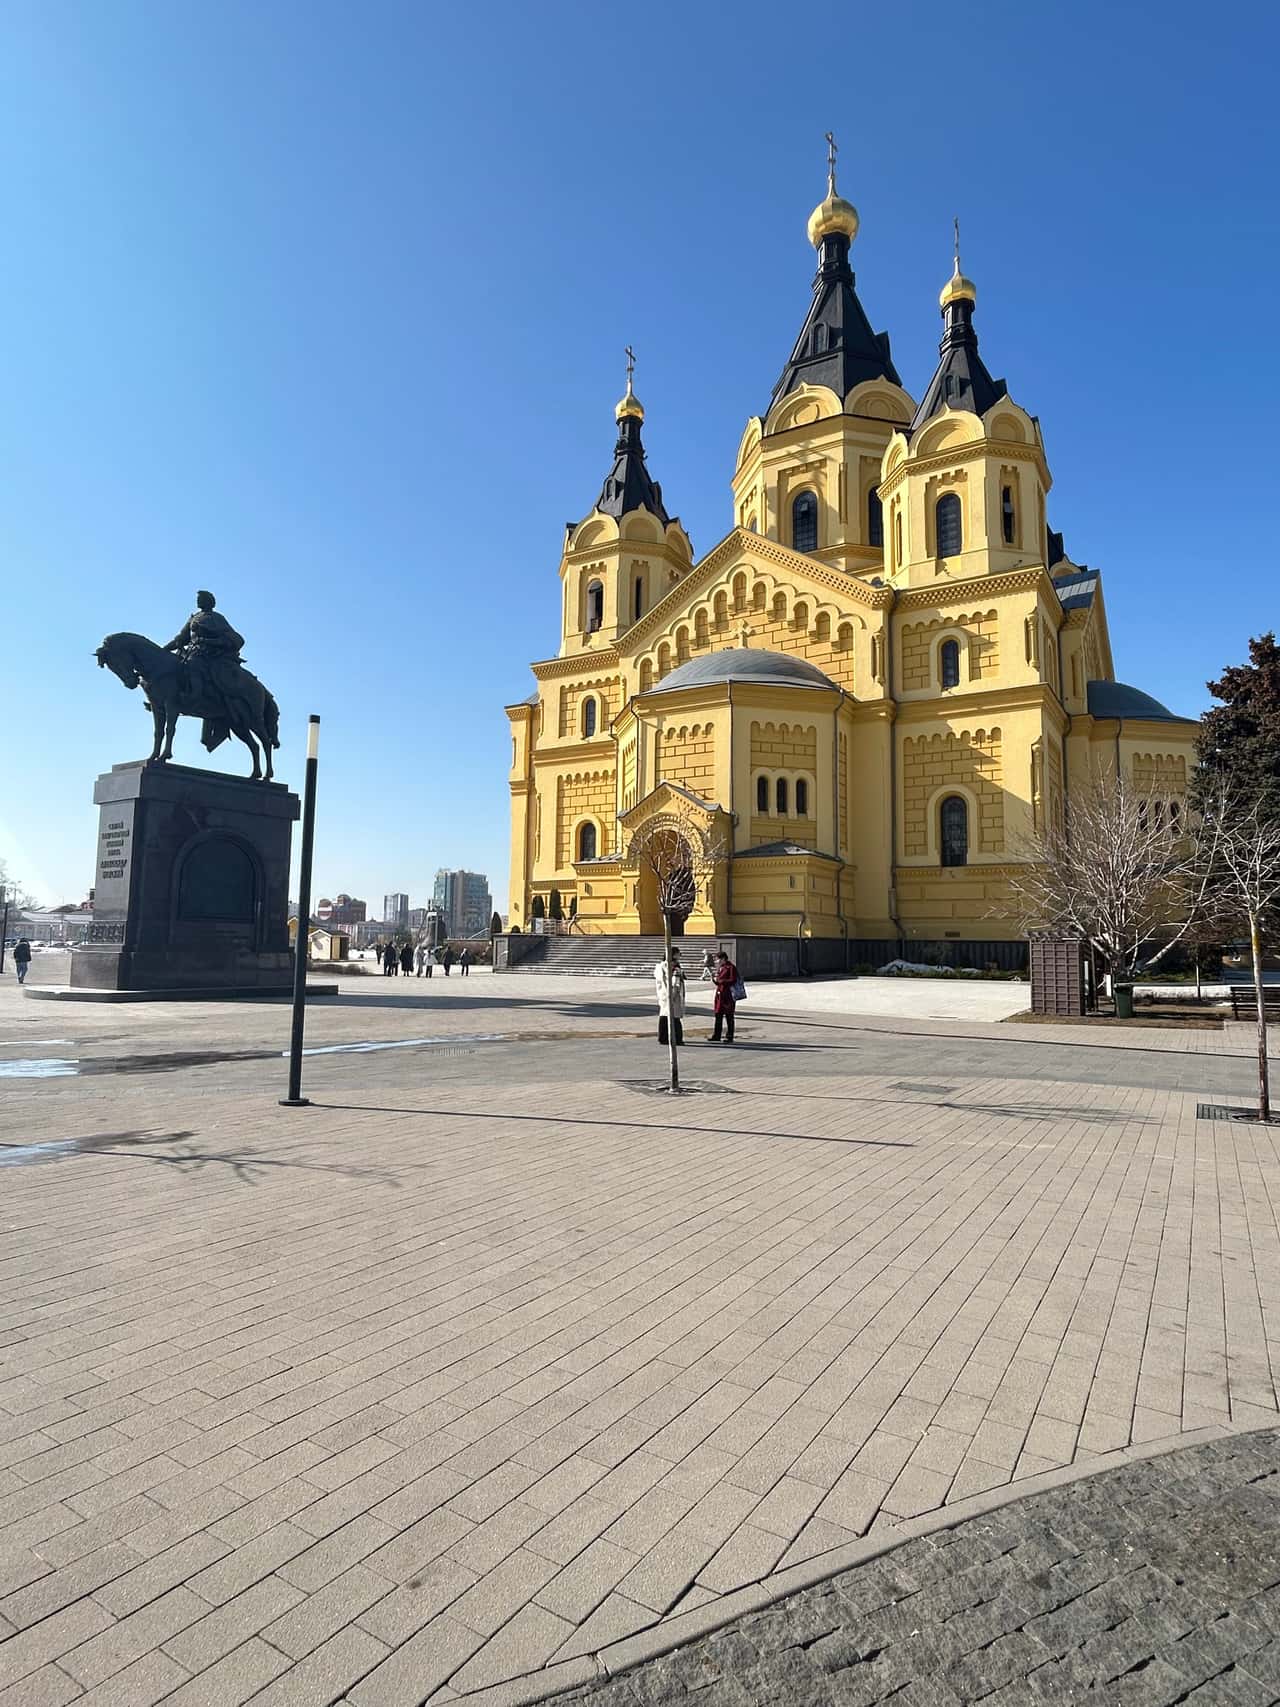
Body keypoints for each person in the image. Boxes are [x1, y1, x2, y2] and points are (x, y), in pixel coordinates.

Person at [654, 947, 685, 1047]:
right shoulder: (665, 965)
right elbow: (665, 980)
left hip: (671, 993)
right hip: (669, 993)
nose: (679, 955)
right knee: (671, 1016)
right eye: (678, 953)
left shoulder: (673, 965)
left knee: (668, 1015)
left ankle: (666, 1037)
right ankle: (673, 1038)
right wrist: (671, 992)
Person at [712, 949, 738, 1044]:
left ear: (723, 959)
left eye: (717, 959)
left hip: (728, 995)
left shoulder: (731, 967)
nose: (716, 961)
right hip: (720, 994)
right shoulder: (721, 967)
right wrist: (714, 979)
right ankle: (716, 1035)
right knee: (718, 1015)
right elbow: (718, 981)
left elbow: (733, 980)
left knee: (729, 1016)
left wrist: (722, 981)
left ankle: (729, 1036)